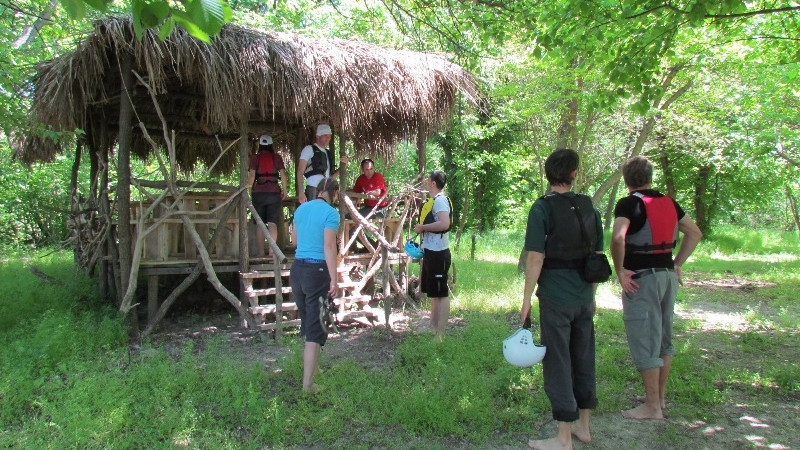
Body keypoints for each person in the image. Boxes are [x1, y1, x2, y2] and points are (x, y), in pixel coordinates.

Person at [519, 149, 601, 450]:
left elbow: (536, 256)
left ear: (548, 174)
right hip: (584, 297)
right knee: (583, 357)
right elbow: (596, 251)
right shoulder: (587, 206)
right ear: (574, 174)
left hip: (555, 298)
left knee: (558, 362)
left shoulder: (541, 209)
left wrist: (526, 299)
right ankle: (584, 426)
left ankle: (563, 438)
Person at [611, 156, 702, 420]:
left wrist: (620, 270)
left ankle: (651, 407)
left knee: (644, 337)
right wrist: (677, 263)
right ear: (650, 176)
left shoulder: (629, 203)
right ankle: (659, 398)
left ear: (627, 179)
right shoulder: (669, 203)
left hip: (643, 279)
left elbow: (618, 238)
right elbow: (694, 233)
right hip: (666, 276)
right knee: (663, 337)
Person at [289, 177, 341, 393]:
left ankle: (315, 369)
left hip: (297, 271)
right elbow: (329, 247)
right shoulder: (331, 213)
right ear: (334, 194)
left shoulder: (301, 210)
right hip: (316, 271)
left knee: (308, 320)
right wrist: (334, 277)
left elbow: (295, 242)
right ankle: (308, 385)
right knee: (315, 327)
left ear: (317, 191)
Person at [413, 170, 452, 338]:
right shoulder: (434, 201)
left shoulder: (440, 201)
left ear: (434, 183)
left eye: (428, 180)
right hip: (431, 251)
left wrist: (423, 228)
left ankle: (441, 333)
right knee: (434, 293)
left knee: (441, 293)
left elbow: (444, 224)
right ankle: (433, 327)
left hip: (439, 253)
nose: (426, 182)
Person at [247, 134, 287, 257]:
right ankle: (271, 251)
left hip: (258, 193)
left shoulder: (255, 158)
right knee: (272, 223)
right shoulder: (277, 157)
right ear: (271, 145)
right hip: (274, 192)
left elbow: (252, 176)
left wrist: (249, 190)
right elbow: (283, 174)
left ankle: (260, 252)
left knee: (260, 223)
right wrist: (284, 189)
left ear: (260, 145)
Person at [296, 124, 346, 204]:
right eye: (325, 135)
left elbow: (330, 177)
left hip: (327, 191)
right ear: (318, 136)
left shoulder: (327, 153)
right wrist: (301, 193)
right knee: (314, 215)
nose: (328, 138)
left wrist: (342, 167)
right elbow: (300, 171)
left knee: (325, 215)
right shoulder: (309, 149)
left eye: (329, 136)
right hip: (313, 189)